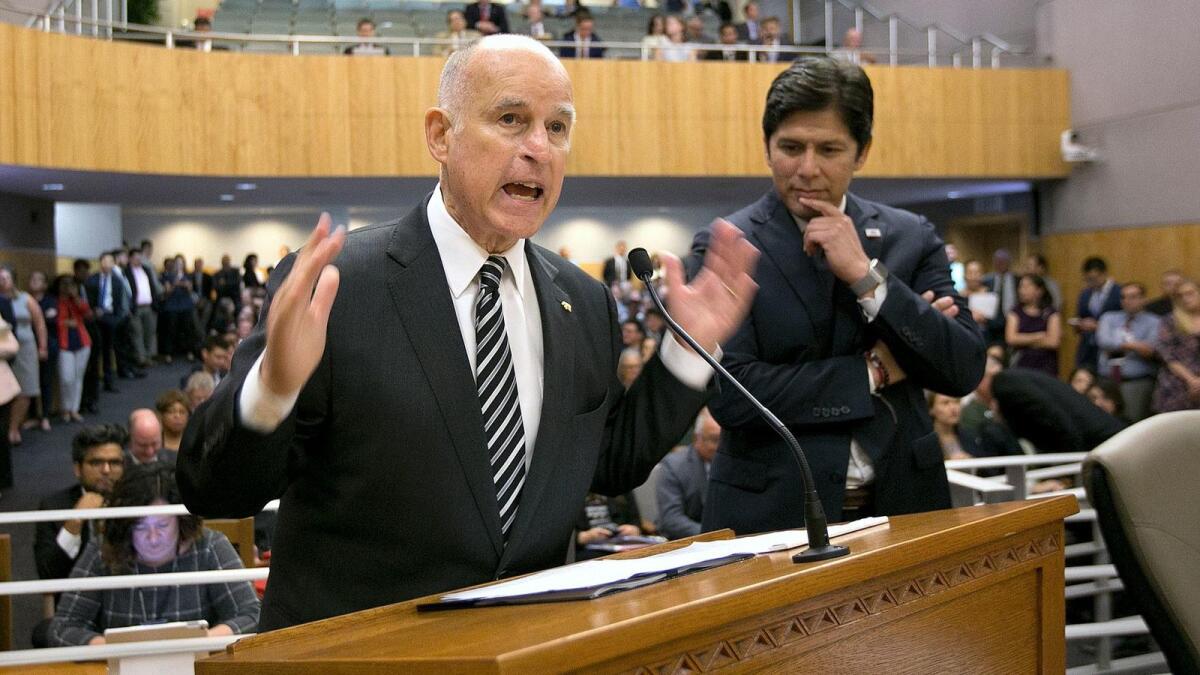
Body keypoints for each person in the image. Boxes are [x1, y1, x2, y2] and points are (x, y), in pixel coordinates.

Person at [178, 34, 757, 631]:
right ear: (440, 135)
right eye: (511, 120)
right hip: (362, 652)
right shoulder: (338, 283)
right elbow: (214, 491)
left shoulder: (582, 303)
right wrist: (272, 392)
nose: (539, 148)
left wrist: (685, 353)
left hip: (526, 647)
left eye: (557, 128)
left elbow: (605, 463)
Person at [686, 57, 985, 532]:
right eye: (791, 147)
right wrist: (875, 371)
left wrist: (867, 277)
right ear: (767, 147)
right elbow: (733, 396)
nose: (807, 169)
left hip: (905, 500)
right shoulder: (727, 244)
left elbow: (962, 366)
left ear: (862, 152)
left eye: (829, 149)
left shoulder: (910, 236)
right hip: (773, 513)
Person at [47, 465, 260, 646]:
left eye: (163, 525)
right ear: (126, 526)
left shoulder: (210, 546)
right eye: (140, 526)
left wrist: (201, 642)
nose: (153, 537)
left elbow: (253, 614)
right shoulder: (104, 550)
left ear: (181, 522)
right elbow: (62, 627)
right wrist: (114, 649)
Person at [31, 424, 127, 647]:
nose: (106, 470)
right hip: (76, 614)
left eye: (114, 463)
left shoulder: (136, 503)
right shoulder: (54, 506)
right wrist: (75, 521)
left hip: (126, 608)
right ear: (77, 468)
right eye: (96, 463)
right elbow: (48, 573)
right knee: (42, 633)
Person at [991, 368, 1125, 454]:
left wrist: (1070, 467)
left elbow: (1058, 419)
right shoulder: (1019, 380)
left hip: (1108, 447)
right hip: (1098, 444)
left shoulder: (1005, 382)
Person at [1095, 282, 1160, 422]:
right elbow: (1104, 342)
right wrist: (1134, 345)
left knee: (1132, 423)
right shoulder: (1109, 317)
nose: (1127, 301)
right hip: (1106, 379)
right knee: (1102, 420)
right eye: (1123, 297)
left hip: (1136, 381)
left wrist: (1117, 343)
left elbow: (1150, 349)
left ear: (1144, 299)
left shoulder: (1154, 322)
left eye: (1132, 297)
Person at [0, 266, 48, 445]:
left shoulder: (25, 299)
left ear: (13, 280)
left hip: (25, 347)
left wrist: (43, 347)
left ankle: (13, 429)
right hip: (3, 350)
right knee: (6, 389)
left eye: (5, 278)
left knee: (26, 387)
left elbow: (40, 324)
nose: (2, 281)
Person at [655, 409, 719, 539]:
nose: (720, 447)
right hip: (689, 540)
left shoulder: (732, 463)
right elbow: (671, 520)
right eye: (714, 440)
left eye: (723, 440)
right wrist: (714, 535)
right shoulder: (673, 466)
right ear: (697, 438)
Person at [84, 253, 131, 393]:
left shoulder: (117, 281)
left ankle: (108, 381)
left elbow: (120, 301)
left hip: (110, 317)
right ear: (100, 262)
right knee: (95, 351)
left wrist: (117, 318)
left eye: (110, 261)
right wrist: (93, 311)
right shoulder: (92, 279)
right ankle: (94, 382)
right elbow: (87, 300)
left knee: (108, 350)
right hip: (94, 318)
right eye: (105, 261)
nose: (107, 264)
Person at [1152, 278, 1200, 412]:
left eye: (1190, 293)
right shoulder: (1169, 321)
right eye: (1180, 296)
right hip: (1177, 383)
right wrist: (1192, 380)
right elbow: (1167, 355)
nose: (1185, 298)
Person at [53, 276, 92, 423]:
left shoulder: (76, 301)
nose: (67, 287)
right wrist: (65, 323)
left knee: (78, 377)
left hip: (82, 342)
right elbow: (52, 321)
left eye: (70, 284)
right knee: (66, 378)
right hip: (64, 344)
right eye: (64, 284)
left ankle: (74, 409)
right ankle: (65, 408)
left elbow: (88, 314)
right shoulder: (55, 302)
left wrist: (76, 297)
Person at [1005, 274, 1060, 377]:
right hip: (1021, 362)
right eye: (1020, 287)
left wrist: (1022, 340)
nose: (1022, 291)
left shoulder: (1051, 313)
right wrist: (1039, 336)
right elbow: (1011, 339)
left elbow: (1053, 342)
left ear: (1039, 291)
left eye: (1026, 287)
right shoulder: (1015, 312)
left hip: (1046, 364)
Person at [1073, 256, 1121, 371]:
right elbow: (1081, 316)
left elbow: (1124, 322)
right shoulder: (1085, 294)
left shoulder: (1119, 292)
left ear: (1103, 274)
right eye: (1087, 279)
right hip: (1087, 347)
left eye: (1093, 278)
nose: (1090, 283)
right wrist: (1080, 324)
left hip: (1110, 348)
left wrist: (1099, 326)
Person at [574, 492, 642, 560]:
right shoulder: (571, 491)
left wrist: (634, 529)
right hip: (586, 549)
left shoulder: (620, 488)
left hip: (622, 542)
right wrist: (582, 536)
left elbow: (635, 519)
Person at [27, 270, 56, 433]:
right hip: (28, 346)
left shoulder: (50, 301)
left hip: (47, 345)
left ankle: (45, 416)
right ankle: (33, 416)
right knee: (30, 381)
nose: (34, 281)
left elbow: (50, 320)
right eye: (32, 278)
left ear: (45, 285)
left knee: (45, 380)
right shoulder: (25, 300)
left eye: (38, 279)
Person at [123, 247, 161, 368]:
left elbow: (153, 287)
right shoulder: (126, 272)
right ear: (130, 258)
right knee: (137, 333)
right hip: (136, 307)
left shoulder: (146, 270)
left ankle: (148, 356)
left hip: (149, 306)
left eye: (140, 258)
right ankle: (141, 359)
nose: (138, 260)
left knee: (149, 332)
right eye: (136, 258)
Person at [927, 392, 980, 459]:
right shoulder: (925, 440)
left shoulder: (970, 436)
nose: (953, 408)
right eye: (945, 403)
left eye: (956, 402)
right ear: (931, 409)